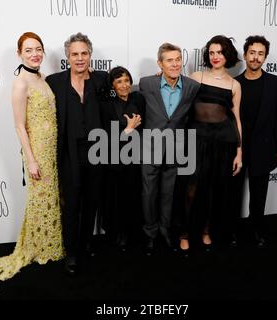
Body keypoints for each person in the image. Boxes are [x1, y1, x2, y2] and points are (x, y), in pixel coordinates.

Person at [0, 32, 64, 284]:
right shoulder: (20, 83)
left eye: (38, 49)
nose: (35, 54)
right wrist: (32, 160)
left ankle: (47, 244)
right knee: (41, 198)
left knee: (49, 198)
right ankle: (38, 248)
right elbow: (19, 126)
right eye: (28, 50)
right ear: (19, 54)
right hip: (37, 151)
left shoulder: (43, 78)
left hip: (52, 148)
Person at [46, 33, 108, 275]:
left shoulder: (102, 80)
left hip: (96, 151)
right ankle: (71, 251)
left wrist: (159, 76)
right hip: (69, 151)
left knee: (92, 200)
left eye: (84, 53)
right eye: (75, 54)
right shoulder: (54, 82)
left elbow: (123, 91)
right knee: (71, 203)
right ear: (67, 57)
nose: (80, 58)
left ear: (90, 55)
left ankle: (85, 242)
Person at [175, 35, 242, 253]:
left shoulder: (234, 84)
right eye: (212, 52)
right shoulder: (197, 76)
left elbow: (236, 119)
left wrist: (239, 152)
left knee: (213, 191)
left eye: (220, 52)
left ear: (228, 55)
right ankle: (184, 232)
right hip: (195, 141)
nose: (215, 57)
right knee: (191, 189)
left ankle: (206, 231)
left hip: (222, 143)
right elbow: (178, 93)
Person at [139, 43, 200, 255]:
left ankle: (165, 232)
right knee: (149, 194)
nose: (174, 64)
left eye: (177, 60)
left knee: (169, 194)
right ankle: (150, 234)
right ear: (160, 64)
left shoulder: (192, 86)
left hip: (175, 149)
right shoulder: (146, 84)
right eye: (169, 61)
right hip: (150, 148)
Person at [233, 35, 277, 248]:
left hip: (264, 147)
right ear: (245, 54)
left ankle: (257, 230)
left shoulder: (274, 83)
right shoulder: (235, 83)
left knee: (259, 194)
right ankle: (232, 232)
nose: (255, 57)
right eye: (252, 53)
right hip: (237, 148)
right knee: (234, 194)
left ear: (265, 57)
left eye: (260, 54)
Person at [100, 66, 145, 251]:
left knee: (132, 196)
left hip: (134, 158)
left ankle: (130, 233)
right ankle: (114, 234)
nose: (124, 85)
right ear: (112, 85)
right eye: (119, 81)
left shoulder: (138, 98)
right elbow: (104, 134)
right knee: (114, 198)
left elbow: (144, 126)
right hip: (112, 160)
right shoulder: (107, 104)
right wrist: (127, 130)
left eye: (127, 80)